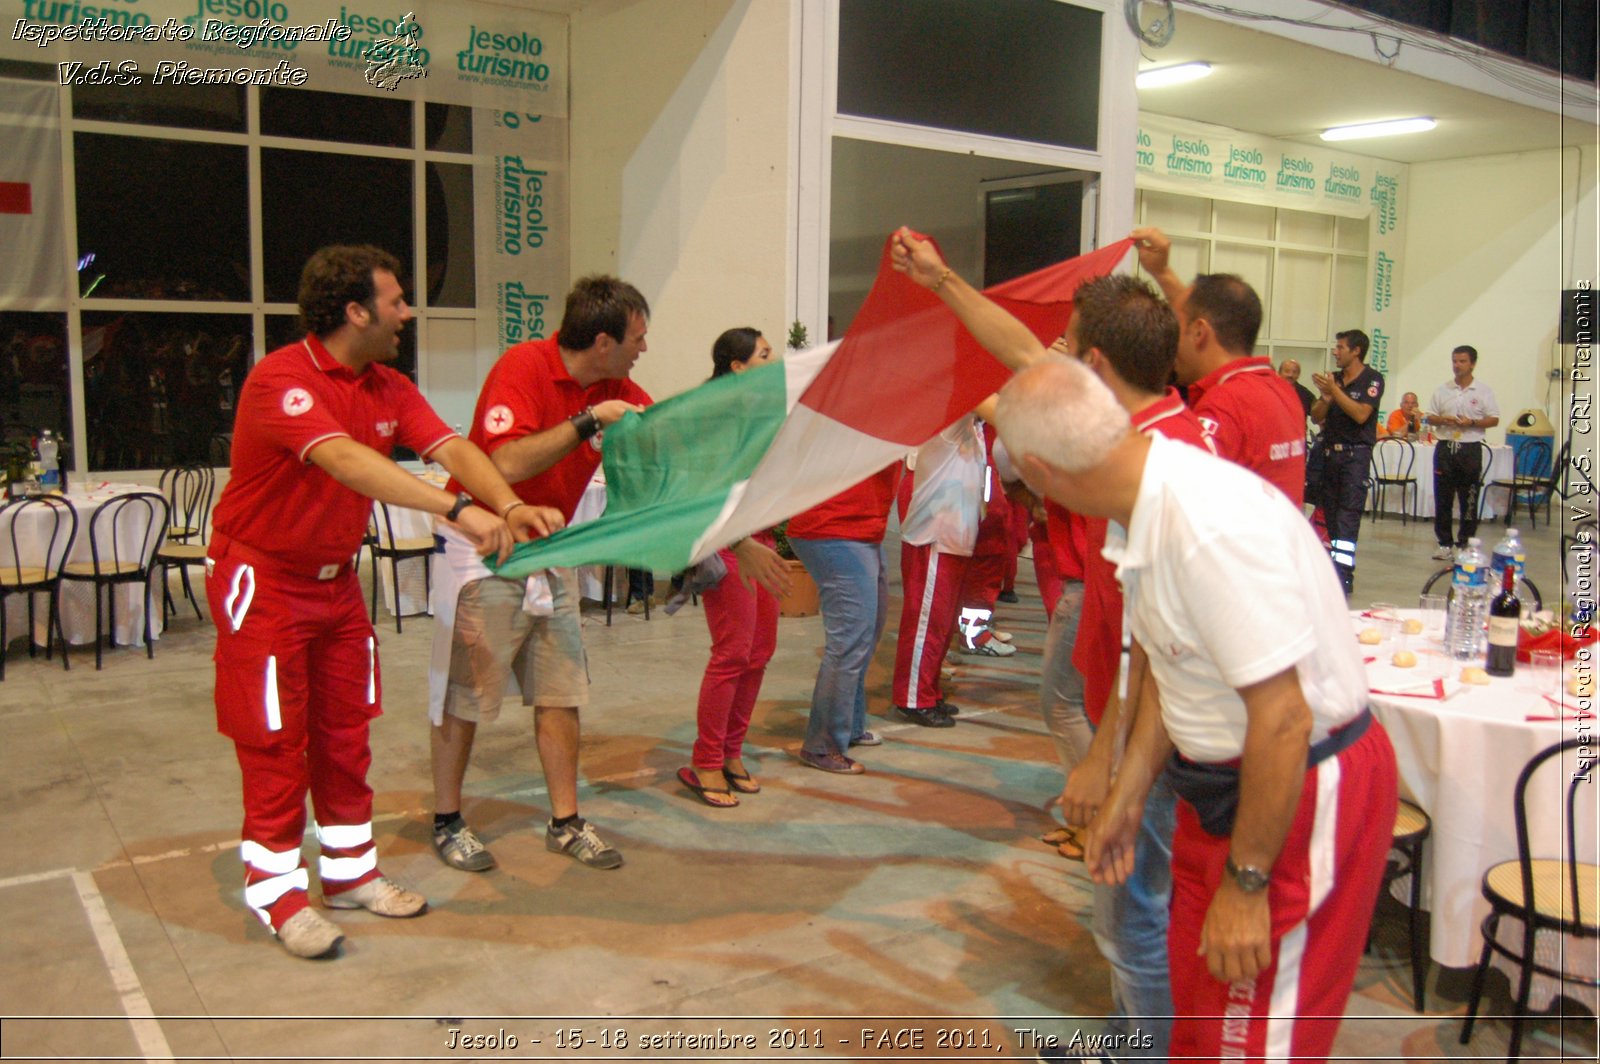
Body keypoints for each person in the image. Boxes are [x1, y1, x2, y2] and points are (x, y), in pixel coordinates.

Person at [997, 356, 1397, 1063]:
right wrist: (1128, 792)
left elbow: (1283, 717)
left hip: (1292, 793)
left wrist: (1248, 884)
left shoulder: (1204, 525)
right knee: (1197, 1025)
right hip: (1222, 787)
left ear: (1042, 470)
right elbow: (1167, 665)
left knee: (1246, 1039)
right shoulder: (1142, 504)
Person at [207, 245, 559, 959]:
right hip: (265, 581)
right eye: (396, 301)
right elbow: (347, 461)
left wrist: (509, 502)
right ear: (355, 310)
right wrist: (459, 512)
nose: (407, 312)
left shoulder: (387, 384)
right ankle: (277, 895)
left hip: (336, 585)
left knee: (344, 733)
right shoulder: (284, 380)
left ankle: (348, 874)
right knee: (276, 740)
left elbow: (451, 445)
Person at [427, 275, 651, 874]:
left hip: (552, 548)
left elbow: (662, 432)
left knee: (561, 690)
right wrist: (586, 421)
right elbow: (505, 460)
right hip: (487, 547)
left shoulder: (616, 384)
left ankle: (566, 821)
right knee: (466, 694)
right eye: (637, 338)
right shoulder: (524, 367)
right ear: (602, 341)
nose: (643, 351)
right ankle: (447, 819)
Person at [679, 328, 792, 806]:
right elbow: (701, 489)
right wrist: (740, 539)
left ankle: (731, 752)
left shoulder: (762, 413)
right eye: (765, 354)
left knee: (760, 650)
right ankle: (705, 761)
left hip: (761, 538)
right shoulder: (715, 415)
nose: (776, 358)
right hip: (728, 542)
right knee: (733, 652)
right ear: (737, 367)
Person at [1132, 226, 1306, 505]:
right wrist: (1162, 273)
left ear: (1200, 332)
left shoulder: (1226, 405)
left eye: (1177, 330)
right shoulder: (1280, 391)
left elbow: (1175, 497)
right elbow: (1199, 312)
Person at [787, 462, 901, 773]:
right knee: (849, 642)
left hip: (860, 526)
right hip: (834, 526)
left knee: (866, 634)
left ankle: (848, 725)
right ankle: (822, 746)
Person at [890, 406, 988, 728]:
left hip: (955, 539)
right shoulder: (950, 417)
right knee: (925, 623)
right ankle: (913, 697)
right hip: (933, 536)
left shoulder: (974, 428)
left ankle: (928, 690)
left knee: (942, 624)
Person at [1310, 329, 1383, 594]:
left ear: (1356, 351)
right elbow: (1316, 415)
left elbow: (1361, 414)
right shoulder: (1335, 380)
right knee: (1329, 514)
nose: (1335, 352)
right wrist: (1327, 397)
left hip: (1355, 456)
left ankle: (1344, 573)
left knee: (1347, 517)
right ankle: (1332, 568)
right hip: (1330, 455)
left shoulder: (1372, 379)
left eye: (1340, 347)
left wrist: (1336, 392)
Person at [1425, 345, 1500, 560]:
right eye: (1455, 361)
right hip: (1446, 446)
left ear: (1472, 364)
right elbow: (1429, 417)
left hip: (1469, 447)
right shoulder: (1443, 390)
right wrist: (1444, 420)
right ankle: (1444, 543)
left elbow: (1494, 418)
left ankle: (1465, 543)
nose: (1457, 366)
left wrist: (1473, 422)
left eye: (1462, 361)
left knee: (1469, 498)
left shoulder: (1483, 391)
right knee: (1443, 497)